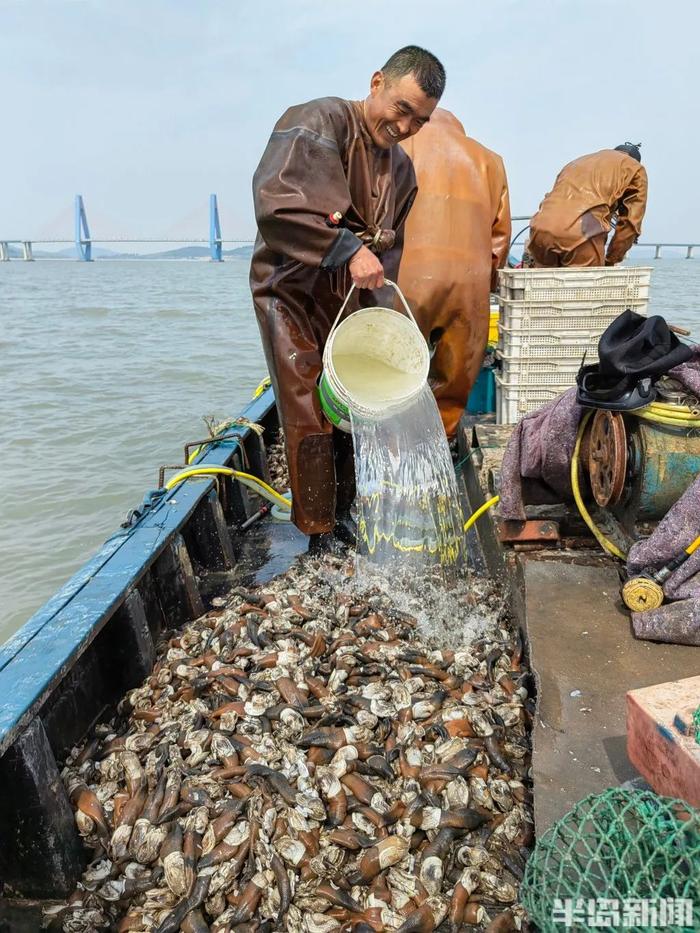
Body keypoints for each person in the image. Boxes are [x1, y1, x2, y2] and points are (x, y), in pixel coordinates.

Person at [250, 46, 445, 548]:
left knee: (353, 407)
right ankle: (318, 533)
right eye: (401, 109)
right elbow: (276, 210)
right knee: (308, 405)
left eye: (419, 121)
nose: (405, 127)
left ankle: (348, 513)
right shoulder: (319, 120)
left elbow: (388, 256)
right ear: (377, 82)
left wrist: (387, 316)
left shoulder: (403, 172)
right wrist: (347, 247)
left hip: (349, 297)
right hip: (290, 289)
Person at [398, 109, 511, 437]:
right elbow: (499, 239)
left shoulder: (397, 148)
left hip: (405, 283)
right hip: (468, 284)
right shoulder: (490, 161)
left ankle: (393, 442)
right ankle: (439, 438)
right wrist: (486, 286)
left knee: (396, 368)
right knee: (453, 377)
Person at [526, 143, 647, 268]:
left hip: (539, 231)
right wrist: (611, 260)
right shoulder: (635, 168)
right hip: (582, 235)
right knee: (586, 285)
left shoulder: (576, 163)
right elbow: (631, 223)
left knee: (545, 284)